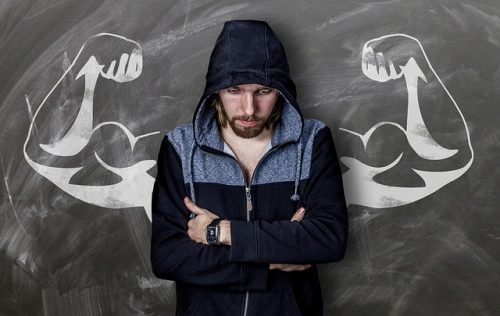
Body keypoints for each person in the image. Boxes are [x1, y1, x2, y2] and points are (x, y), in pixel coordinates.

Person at [150, 19, 348, 316]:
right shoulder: (181, 147)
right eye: (234, 90)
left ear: (281, 91)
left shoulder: (313, 141)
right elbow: (168, 257)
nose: (248, 109)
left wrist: (222, 233)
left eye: (263, 91)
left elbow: (327, 240)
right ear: (215, 91)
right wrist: (269, 262)